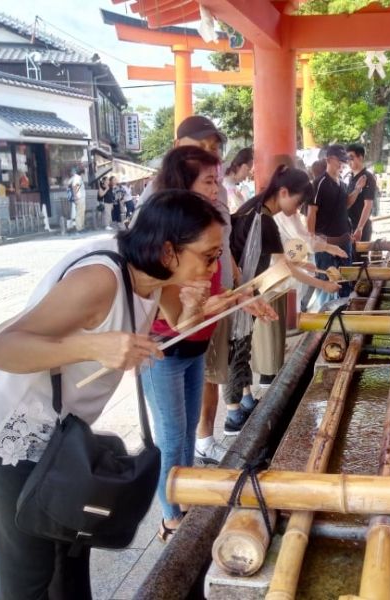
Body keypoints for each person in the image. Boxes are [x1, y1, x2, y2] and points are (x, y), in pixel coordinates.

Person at [0, 190, 235, 599]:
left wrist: (203, 304)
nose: (214, 266)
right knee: (28, 572)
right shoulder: (100, 279)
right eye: (209, 255)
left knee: (72, 551)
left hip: (63, 435)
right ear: (168, 251)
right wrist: (93, 346)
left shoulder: (157, 275)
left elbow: (177, 322)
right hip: (11, 432)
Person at [140, 148, 239, 537]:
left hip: (193, 344)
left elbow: (187, 315)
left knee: (185, 433)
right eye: (209, 181)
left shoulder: (203, 231)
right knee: (172, 434)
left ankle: (185, 497)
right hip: (164, 350)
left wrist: (230, 297)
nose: (217, 189)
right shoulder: (158, 248)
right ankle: (170, 516)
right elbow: (175, 317)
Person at [230, 166, 339, 433]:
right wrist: (323, 282)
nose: (298, 208)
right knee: (237, 347)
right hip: (241, 291)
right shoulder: (265, 218)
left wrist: (311, 268)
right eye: (298, 201)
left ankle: (244, 400)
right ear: (283, 192)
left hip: (244, 288)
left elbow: (286, 260)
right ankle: (232, 417)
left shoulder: (256, 208)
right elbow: (285, 268)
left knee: (242, 346)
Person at [307, 144, 353, 308]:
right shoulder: (319, 183)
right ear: (329, 160)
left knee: (345, 278)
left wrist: (358, 190)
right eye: (339, 160)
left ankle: (344, 309)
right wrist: (311, 237)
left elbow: (345, 205)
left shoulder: (342, 183)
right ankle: (324, 315)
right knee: (326, 278)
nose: (342, 164)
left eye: (344, 161)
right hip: (325, 240)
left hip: (343, 239)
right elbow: (312, 212)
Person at [346, 143, 377, 246]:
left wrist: (360, 228)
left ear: (360, 157)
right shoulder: (350, 177)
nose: (349, 162)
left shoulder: (367, 177)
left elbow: (368, 205)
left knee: (360, 260)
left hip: (361, 226)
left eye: (351, 158)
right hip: (349, 225)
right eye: (347, 159)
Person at [224, 148, 254, 213]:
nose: (248, 175)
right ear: (240, 166)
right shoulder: (227, 184)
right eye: (248, 170)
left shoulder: (229, 183)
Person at [67, 167, 85, 232]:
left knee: (81, 213)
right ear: (82, 173)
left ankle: (81, 227)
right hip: (79, 197)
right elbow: (75, 187)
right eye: (83, 174)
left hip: (80, 197)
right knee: (79, 213)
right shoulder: (77, 178)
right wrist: (75, 196)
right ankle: (79, 228)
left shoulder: (77, 178)